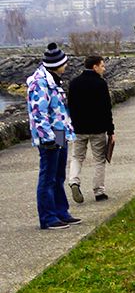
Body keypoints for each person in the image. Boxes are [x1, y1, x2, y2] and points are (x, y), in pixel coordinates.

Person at [26, 42, 79, 230]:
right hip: (50, 135)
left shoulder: (53, 80)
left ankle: (61, 212)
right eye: (64, 63)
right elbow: (38, 112)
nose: (66, 66)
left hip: (59, 132)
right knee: (48, 176)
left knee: (58, 175)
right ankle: (48, 217)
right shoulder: (39, 82)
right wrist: (47, 138)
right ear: (57, 64)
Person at [67, 55, 115, 203]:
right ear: (95, 67)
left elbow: (70, 106)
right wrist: (111, 131)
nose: (104, 68)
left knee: (77, 157)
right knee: (99, 159)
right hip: (98, 128)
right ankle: (99, 191)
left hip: (79, 128)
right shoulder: (100, 84)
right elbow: (106, 109)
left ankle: (74, 181)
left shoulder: (74, 83)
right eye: (102, 66)